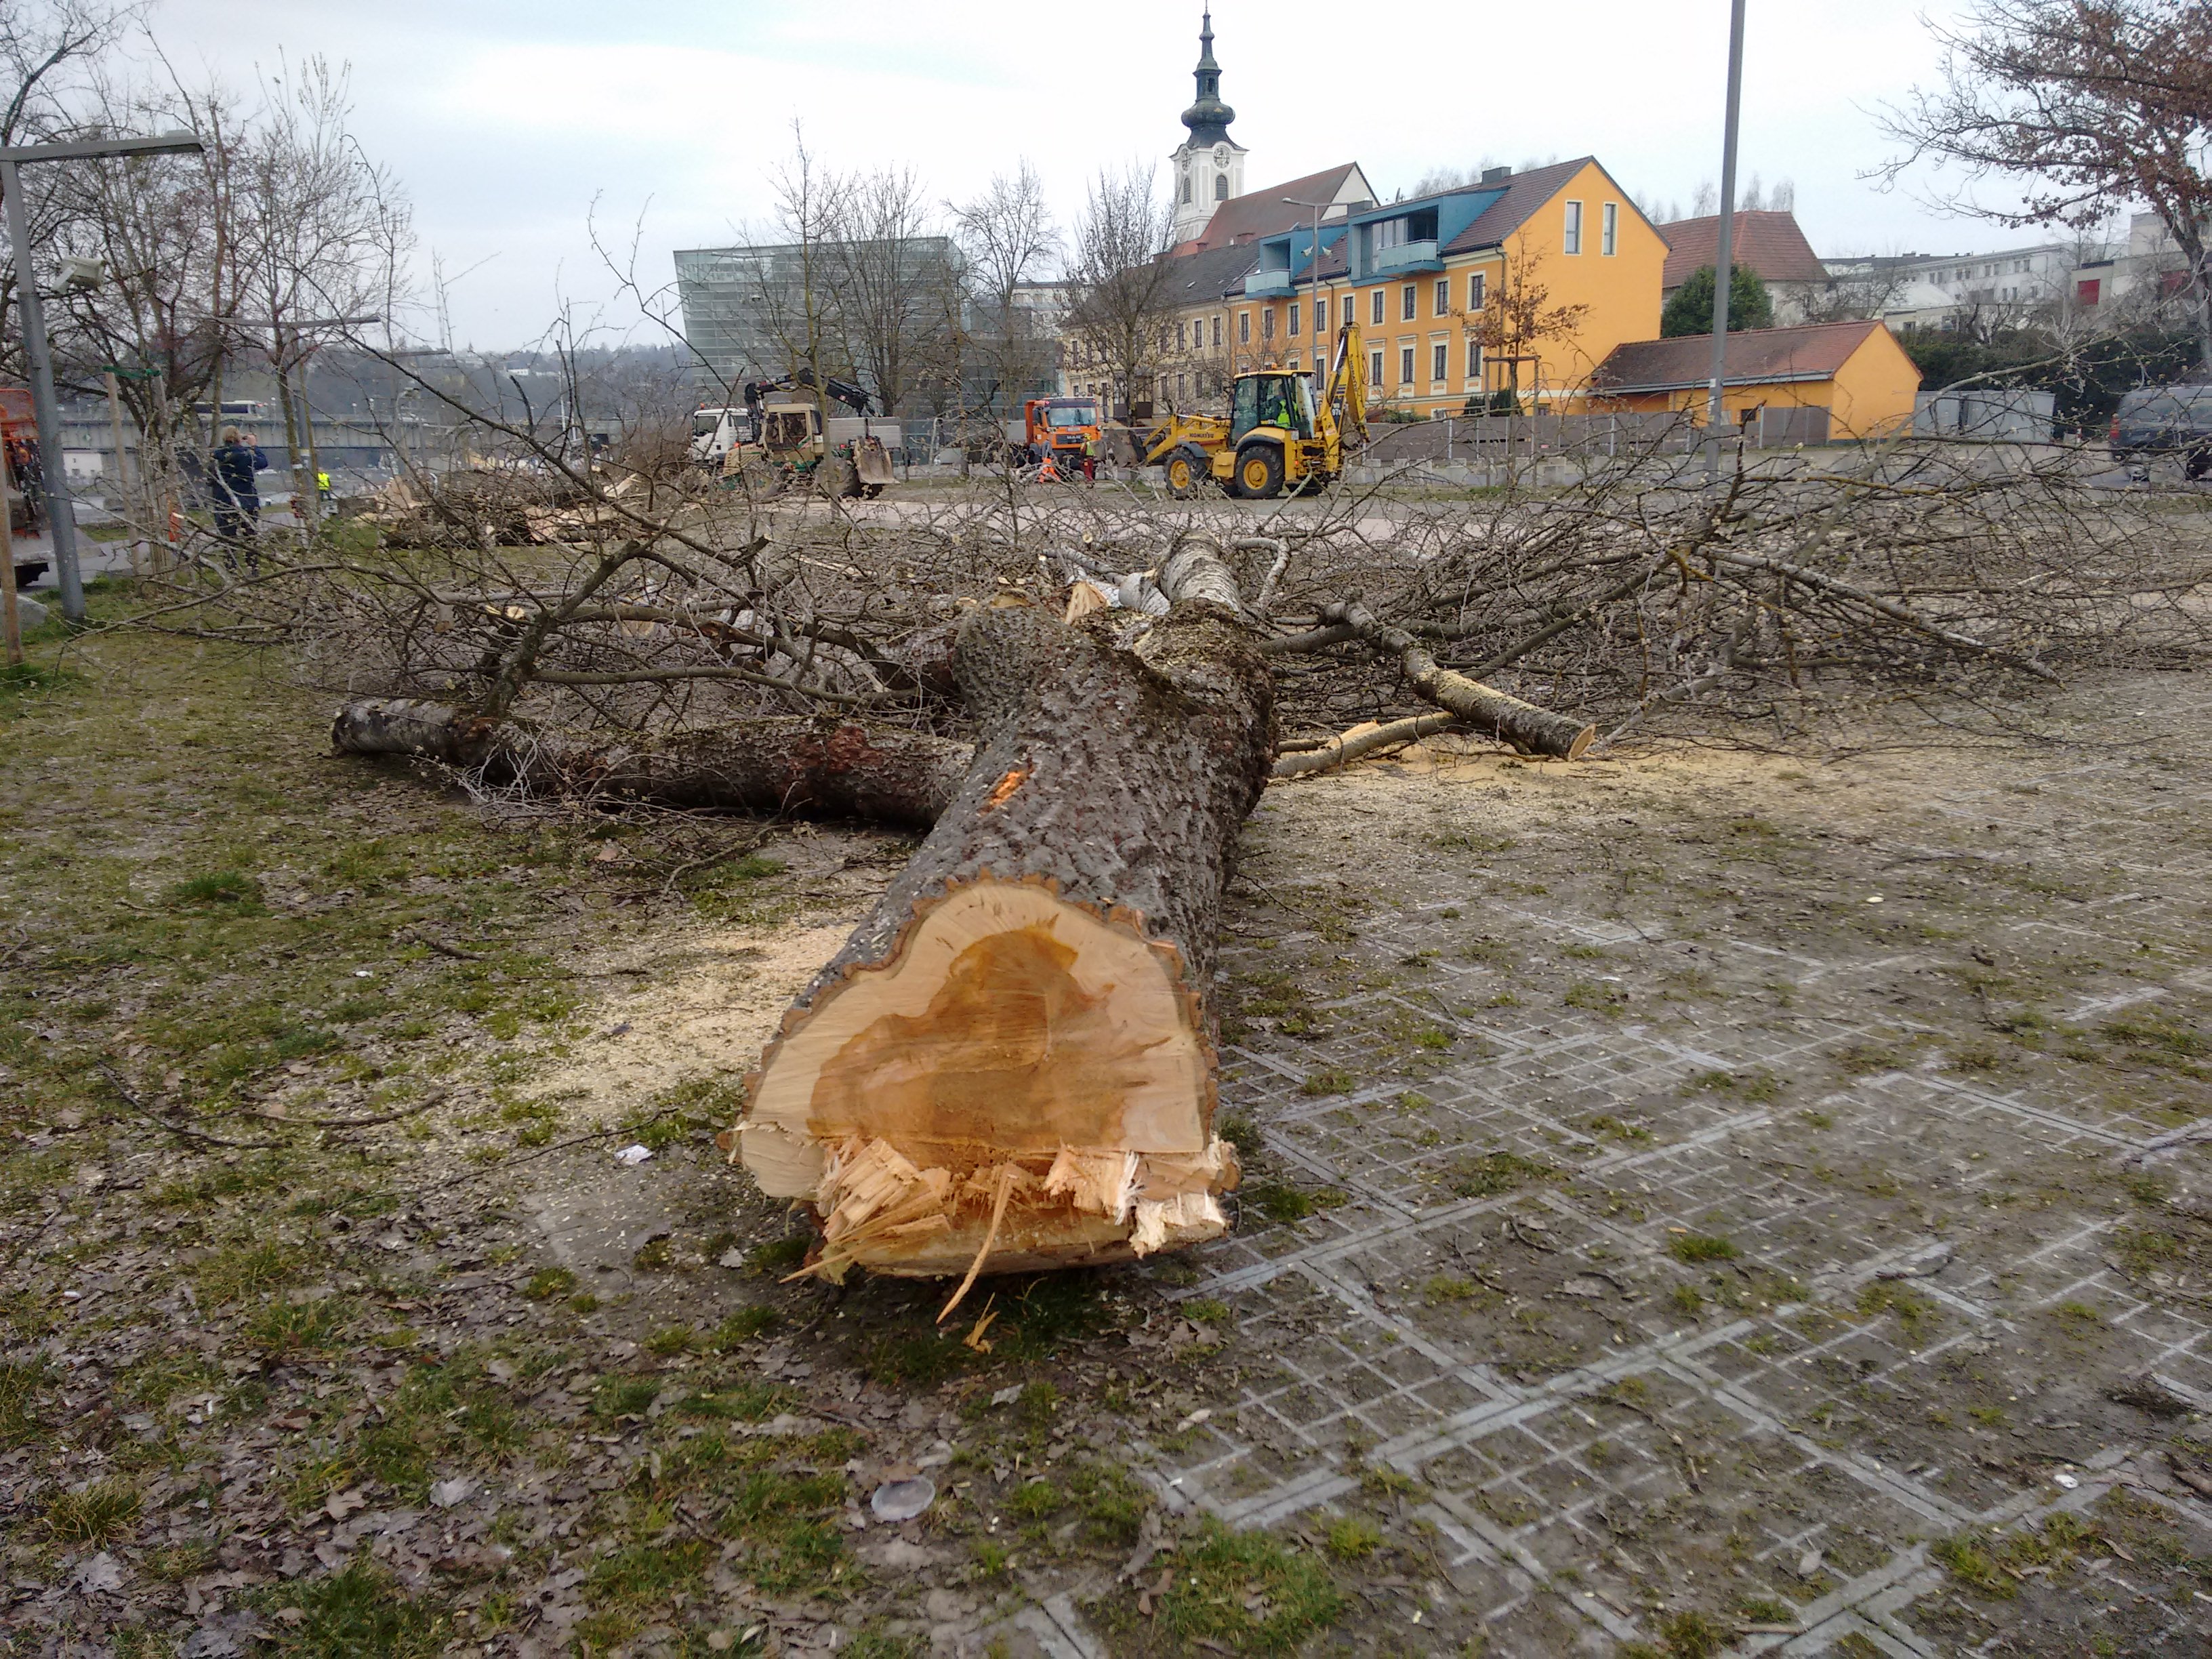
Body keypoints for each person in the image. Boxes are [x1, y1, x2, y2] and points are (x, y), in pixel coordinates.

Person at [208, 427, 267, 571]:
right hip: (247, 502)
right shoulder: (246, 454)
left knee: (228, 540)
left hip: (224, 504)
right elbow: (263, 463)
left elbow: (210, 480)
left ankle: (232, 570)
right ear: (239, 439)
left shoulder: (216, 457)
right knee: (250, 537)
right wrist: (254, 445)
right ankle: (253, 569)